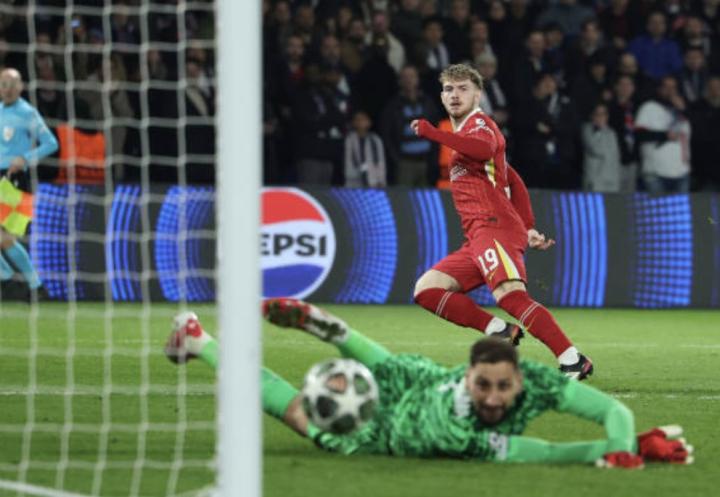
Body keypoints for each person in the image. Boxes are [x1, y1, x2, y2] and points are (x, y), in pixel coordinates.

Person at [165, 298, 693, 467]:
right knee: (309, 406)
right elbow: (550, 453)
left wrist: (624, 443)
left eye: (501, 388)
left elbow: (608, 413)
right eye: (482, 386)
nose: (492, 398)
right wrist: (622, 450)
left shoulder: (537, 384)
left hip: (400, 410)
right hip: (403, 411)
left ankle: (197, 339)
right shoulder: (466, 434)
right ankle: (325, 329)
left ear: (521, 380)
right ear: (468, 376)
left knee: (322, 400)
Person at [409, 64, 592, 379]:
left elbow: (482, 149)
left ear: (478, 94)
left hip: (493, 226)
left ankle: (572, 359)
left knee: (510, 295)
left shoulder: (480, 124)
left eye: (463, 88)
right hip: (478, 235)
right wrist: (528, 225)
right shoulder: (464, 133)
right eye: (449, 89)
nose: (455, 95)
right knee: (427, 289)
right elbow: (513, 179)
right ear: (441, 96)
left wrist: (434, 134)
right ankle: (498, 329)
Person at [0, 68, 58, 301]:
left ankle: (14, 280)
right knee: (4, 238)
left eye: (12, 84)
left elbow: (51, 143)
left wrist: (25, 158)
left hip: (14, 179)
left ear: (21, 87)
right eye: (4, 84)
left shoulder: (27, 113)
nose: (8, 89)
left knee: (4, 237)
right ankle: (29, 284)